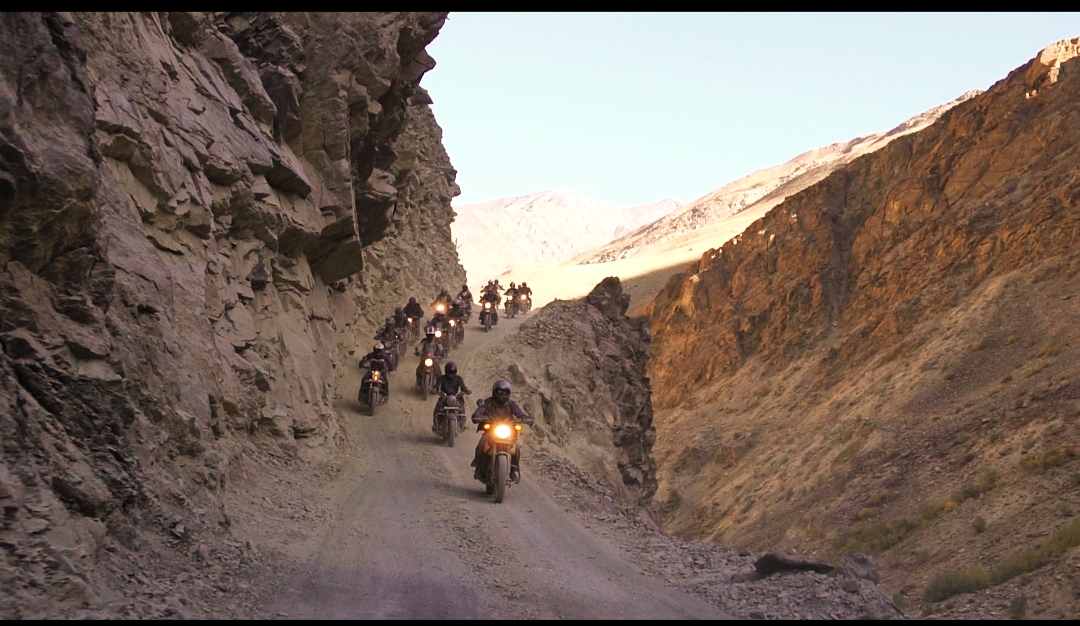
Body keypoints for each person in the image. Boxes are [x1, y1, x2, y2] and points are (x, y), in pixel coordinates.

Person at [471, 379, 534, 483]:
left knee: (516, 448)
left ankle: (513, 470)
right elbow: (480, 410)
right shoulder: (488, 402)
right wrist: (478, 416)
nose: (501, 394)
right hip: (491, 431)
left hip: (508, 432)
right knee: (481, 444)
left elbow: (519, 412)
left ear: (508, 393)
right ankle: (478, 467)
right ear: (494, 391)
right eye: (499, 391)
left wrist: (524, 418)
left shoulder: (511, 404)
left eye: (504, 392)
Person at [432, 361, 472, 432]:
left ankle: (462, 423)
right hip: (444, 396)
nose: (451, 374)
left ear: (455, 372)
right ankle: (436, 424)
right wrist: (434, 390)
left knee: (461, 407)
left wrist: (466, 390)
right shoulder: (441, 378)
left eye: (452, 372)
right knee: (437, 408)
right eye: (449, 372)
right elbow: (437, 386)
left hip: (456, 396)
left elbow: (463, 387)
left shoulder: (458, 378)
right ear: (446, 371)